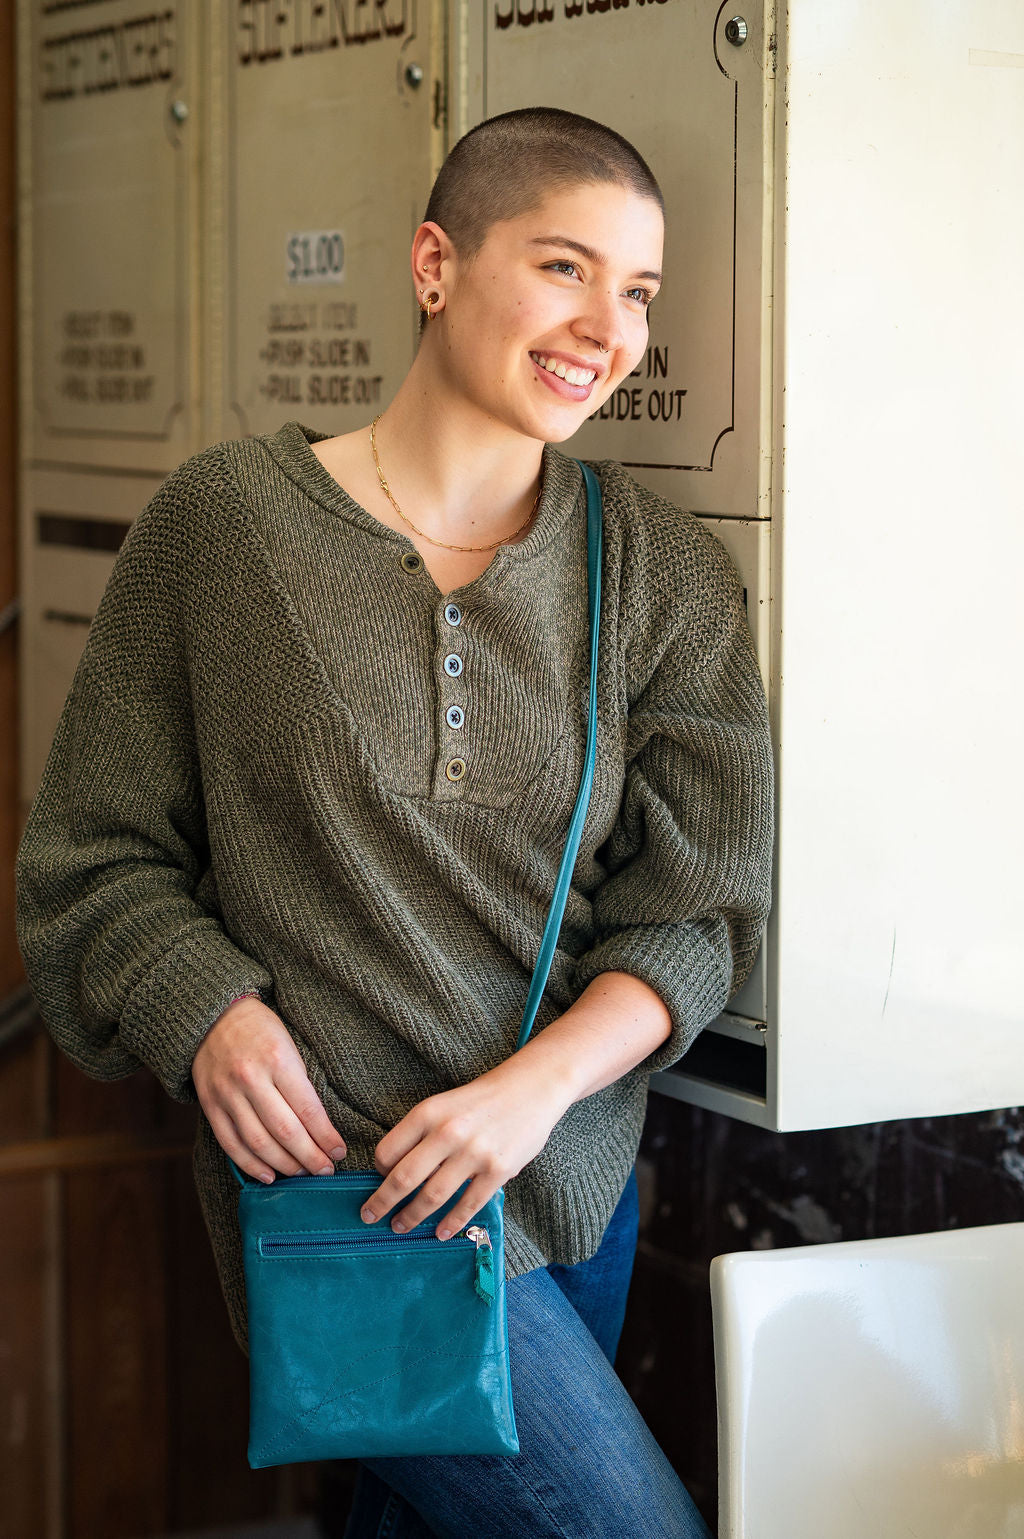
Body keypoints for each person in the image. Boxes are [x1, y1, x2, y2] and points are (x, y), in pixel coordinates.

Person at [15, 108, 773, 1536]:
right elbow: (89, 854)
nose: (606, 327)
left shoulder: (660, 575)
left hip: (565, 1191)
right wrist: (207, 1011)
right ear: (437, 263)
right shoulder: (225, 529)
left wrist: (530, 1094)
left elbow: (701, 910)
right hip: (341, 1209)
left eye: (639, 291)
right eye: (563, 267)